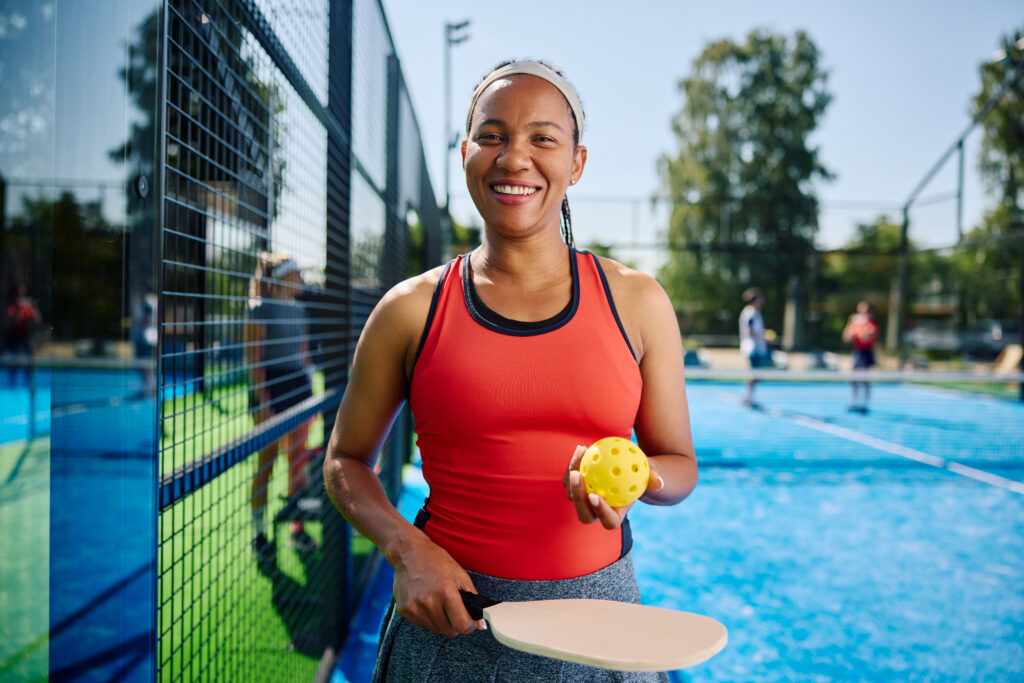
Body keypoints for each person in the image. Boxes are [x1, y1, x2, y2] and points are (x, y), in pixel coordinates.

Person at [323, 59, 697, 681]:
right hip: (451, 618)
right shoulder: (411, 309)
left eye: (543, 138)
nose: (514, 157)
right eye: (492, 136)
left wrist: (640, 479)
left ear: (576, 162)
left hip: (601, 625)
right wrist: (407, 550)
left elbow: (679, 467)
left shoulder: (638, 301)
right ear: (467, 153)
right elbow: (344, 462)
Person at [246, 253, 318, 558]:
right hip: (270, 390)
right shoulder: (259, 309)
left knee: (297, 460)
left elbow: (303, 357)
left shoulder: (300, 310)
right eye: (297, 272)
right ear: (283, 277)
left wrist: (311, 396)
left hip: (298, 389)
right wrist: (263, 403)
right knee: (267, 460)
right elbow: (255, 360)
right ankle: (259, 534)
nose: (301, 277)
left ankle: (296, 528)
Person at [842, 300, 879, 413]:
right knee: (853, 378)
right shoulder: (855, 323)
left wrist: (861, 327)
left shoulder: (872, 324)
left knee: (864, 378)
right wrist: (850, 324)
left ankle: (864, 403)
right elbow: (846, 338)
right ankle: (854, 401)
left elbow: (867, 337)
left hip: (867, 352)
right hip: (857, 351)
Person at [3, 284, 42, 387]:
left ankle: (30, 385)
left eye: (22, 295)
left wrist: (32, 309)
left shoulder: (28, 307)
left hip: (25, 337)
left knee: (30, 363)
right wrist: (20, 310)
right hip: (13, 338)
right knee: (13, 364)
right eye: (19, 295)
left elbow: (38, 320)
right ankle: (11, 385)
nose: (21, 298)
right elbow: (14, 322)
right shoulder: (11, 308)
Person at [738, 287, 770, 407]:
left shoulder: (753, 312)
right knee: (754, 374)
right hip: (752, 348)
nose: (761, 302)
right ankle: (748, 397)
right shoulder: (751, 313)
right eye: (760, 300)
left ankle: (748, 396)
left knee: (755, 374)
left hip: (755, 347)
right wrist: (762, 335)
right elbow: (750, 330)